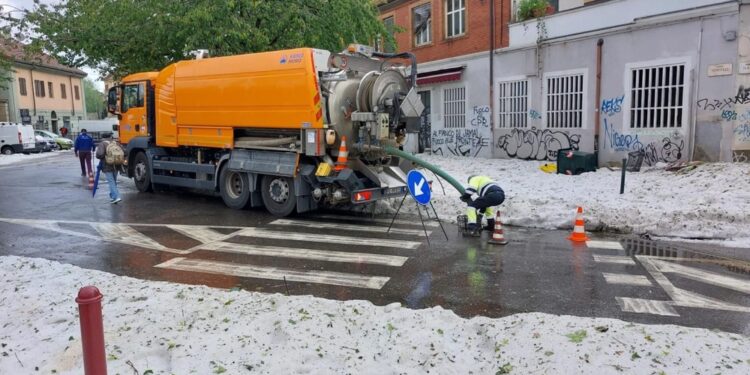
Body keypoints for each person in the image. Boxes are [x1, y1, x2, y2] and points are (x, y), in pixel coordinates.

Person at [95, 133, 126, 204]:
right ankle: (113, 197)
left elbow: (99, 154)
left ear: (103, 137)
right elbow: (125, 152)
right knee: (113, 181)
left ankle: (116, 196)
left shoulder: (102, 144)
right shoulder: (116, 143)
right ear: (110, 137)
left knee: (111, 182)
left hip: (107, 165)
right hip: (117, 164)